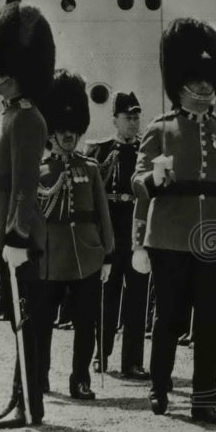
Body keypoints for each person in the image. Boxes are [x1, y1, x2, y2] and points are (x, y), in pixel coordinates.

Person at [132, 18, 216, 425]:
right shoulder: (159, 129)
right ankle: (160, 386)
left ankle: (204, 399)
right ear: (179, 84)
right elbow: (137, 180)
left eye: (208, 82)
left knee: (211, 321)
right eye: (196, 82)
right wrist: (152, 180)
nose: (205, 90)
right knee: (170, 318)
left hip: (211, 238)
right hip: (170, 236)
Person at [0, 2, 55, 429]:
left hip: (17, 233)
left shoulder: (26, 118)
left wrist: (16, 234)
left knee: (25, 320)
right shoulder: (9, 115)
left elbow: (25, 184)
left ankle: (30, 406)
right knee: (17, 321)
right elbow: (0, 179)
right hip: (4, 227)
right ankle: (18, 399)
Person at [36, 71, 114, 400]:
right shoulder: (38, 171)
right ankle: (39, 377)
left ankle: (81, 379)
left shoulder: (91, 168)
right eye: (63, 131)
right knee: (41, 323)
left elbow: (101, 213)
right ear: (51, 133)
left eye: (73, 131)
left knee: (86, 324)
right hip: (50, 257)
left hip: (86, 256)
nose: (69, 136)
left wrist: (107, 253)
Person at [84, 92, 149, 379]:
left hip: (136, 232)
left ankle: (133, 362)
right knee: (107, 297)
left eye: (136, 117)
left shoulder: (147, 152)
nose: (133, 123)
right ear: (115, 120)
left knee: (137, 298)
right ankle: (102, 353)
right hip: (111, 232)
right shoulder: (100, 151)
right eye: (128, 118)